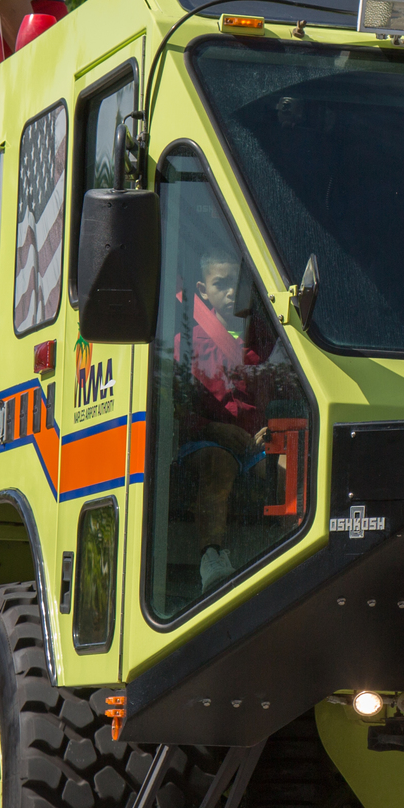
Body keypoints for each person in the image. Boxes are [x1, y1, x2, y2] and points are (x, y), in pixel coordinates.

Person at [180, 249, 273, 594]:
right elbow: (175, 410)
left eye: (236, 284)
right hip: (207, 441)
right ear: (204, 291)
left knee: (291, 464)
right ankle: (212, 557)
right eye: (221, 285)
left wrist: (270, 431)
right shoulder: (185, 343)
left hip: (254, 446)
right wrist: (214, 429)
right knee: (219, 463)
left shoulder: (263, 340)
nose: (232, 292)